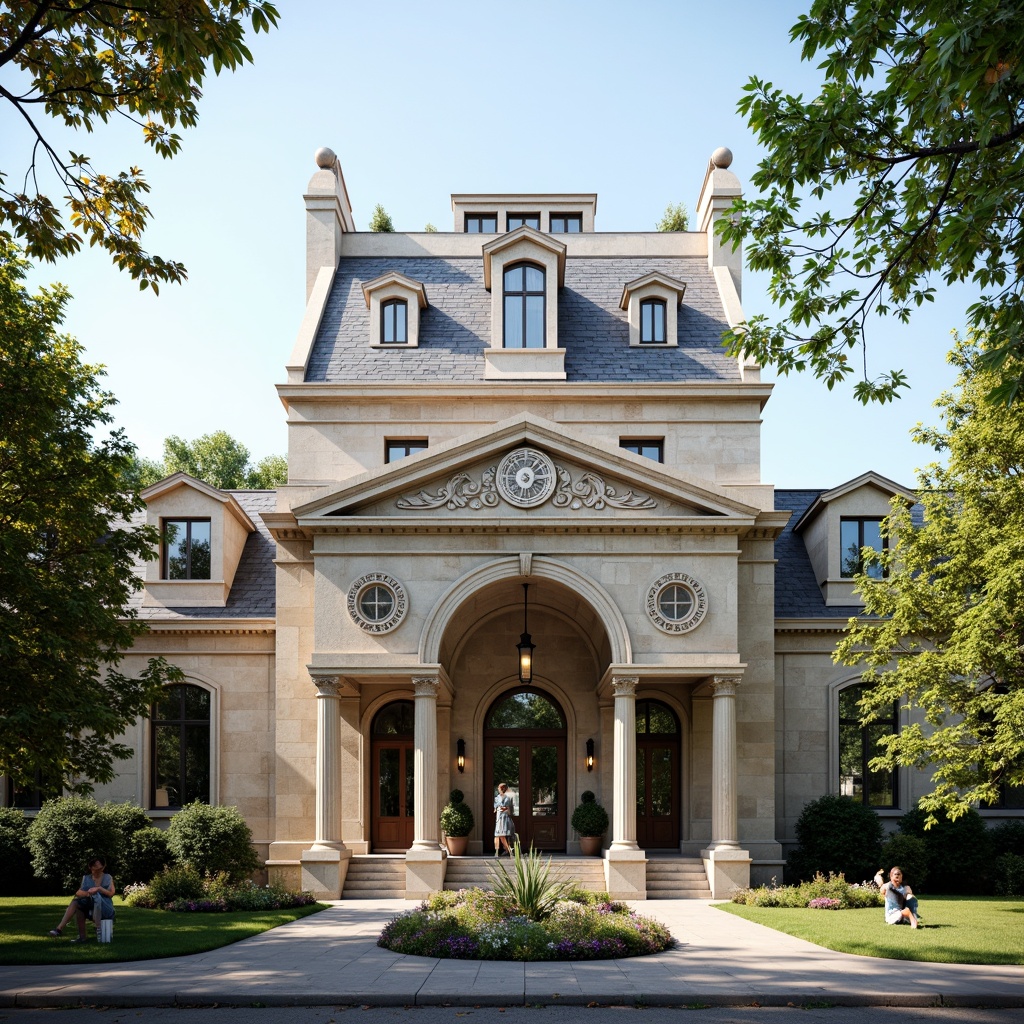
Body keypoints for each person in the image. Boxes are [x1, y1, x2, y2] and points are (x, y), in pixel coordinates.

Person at [48, 856, 116, 943]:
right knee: (76, 903)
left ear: (103, 867)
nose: (98, 870)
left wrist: (99, 889)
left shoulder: (108, 877)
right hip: (91, 905)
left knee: (92, 899)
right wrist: (89, 893)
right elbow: (78, 893)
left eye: (100, 868)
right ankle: (61, 930)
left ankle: (96, 928)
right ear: (90, 867)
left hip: (104, 907)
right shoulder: (86, 878)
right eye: (95, 867)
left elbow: (111, 894)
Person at [493, 782, 515, 857]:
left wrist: (504, 808)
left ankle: (507, 850)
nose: (498, 789)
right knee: (497, 835)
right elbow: (495, 808)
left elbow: (509, 809)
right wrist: (497, 809)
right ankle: (500, 851)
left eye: (499, 788)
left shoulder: (507, 798)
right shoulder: (497, 798)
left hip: (505, 817)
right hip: (499, 817)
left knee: (504, 834)